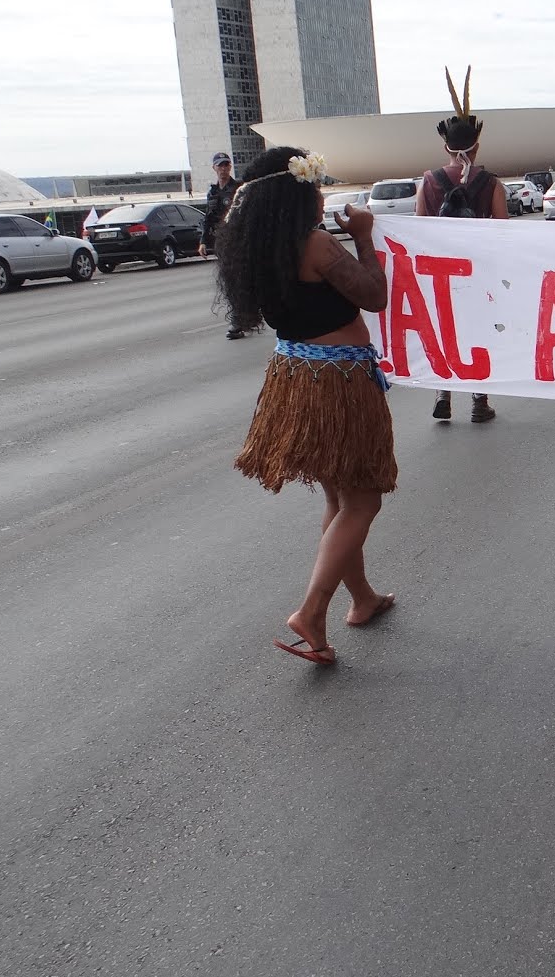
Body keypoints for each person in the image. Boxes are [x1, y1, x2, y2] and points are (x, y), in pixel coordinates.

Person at [215, 145, 397, 667]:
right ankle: (311, 610)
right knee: (363, 501)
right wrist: (363, 236)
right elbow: (373, 295)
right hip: (337, 380)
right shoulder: (314, 245)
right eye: (314, 188)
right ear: (294, 194)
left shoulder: (258, 248)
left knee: (339, 499)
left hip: (294, 376)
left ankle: (361, 599)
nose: (320, 196)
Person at [416, 67, 506, 423]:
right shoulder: (491, 183)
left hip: (441, 270)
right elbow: (503, 232)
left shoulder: (428, 181)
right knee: (476, 331)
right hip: (478, 270)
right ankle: (479, 400)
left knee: (445, 329)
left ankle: (443, 393)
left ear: (446, 147)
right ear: (477, 146)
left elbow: (419, 228)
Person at [201, 151, 248, 339]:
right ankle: (239, 318)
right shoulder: (212, 192)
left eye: (226, 165)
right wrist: (203, 241)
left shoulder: (239, 189)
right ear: (214, 168)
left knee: (240, 280)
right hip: (222, 243)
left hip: (238, 242)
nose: (223, 168)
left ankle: (242, 317)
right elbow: (208, 218)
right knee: (230, 280)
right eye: (220, 165)